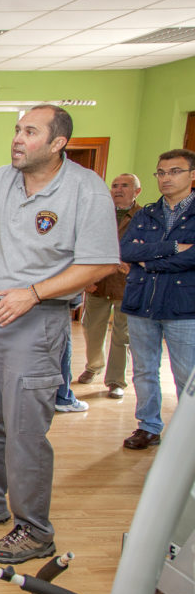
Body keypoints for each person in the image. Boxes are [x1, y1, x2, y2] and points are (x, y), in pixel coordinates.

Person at [0, 105, 118, 564]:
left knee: (24, 431)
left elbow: (100, 263)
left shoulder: (85, 191)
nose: (17, 138)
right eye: (17, 130)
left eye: (30, 131)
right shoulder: (1, 180)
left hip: (38, 319)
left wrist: (32, 294)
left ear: (57, 144)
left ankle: (34, 530)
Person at [119, 149, 195, 450]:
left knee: (186, 374)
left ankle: (187, 433)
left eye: (174, 171)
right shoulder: (146, 213)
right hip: (142, 303)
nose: (166, 178)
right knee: (144, 369)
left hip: (183, 306)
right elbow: (127, 251)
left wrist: (150, 259)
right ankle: (148, 426)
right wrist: (177, 248)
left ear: (192, 175)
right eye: (161, 172)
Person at [78, 173, 141, 399]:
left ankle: (116, 381)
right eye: (115, 185)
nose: (118, 189)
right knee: (91, 328)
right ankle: (94, 366)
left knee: (122, 335)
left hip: (127, 285)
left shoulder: (143, 216)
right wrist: (85, 278)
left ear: (136, 191)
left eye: (125, 185)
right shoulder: (99, 214)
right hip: (98, 283)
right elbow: (84, 245)